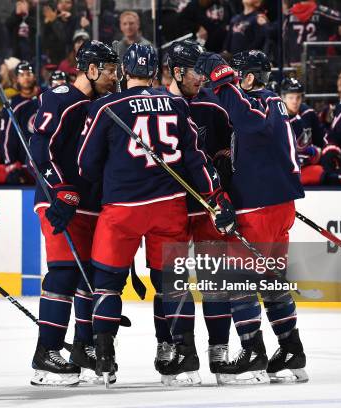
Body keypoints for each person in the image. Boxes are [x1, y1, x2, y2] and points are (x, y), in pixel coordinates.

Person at [78, 43, 235, 385]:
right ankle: (187, 356)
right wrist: (215, 197)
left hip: (123, 209)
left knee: (107, 285)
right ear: (155, 72)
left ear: (123, 71)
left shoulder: (108, 107)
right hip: (170, 206)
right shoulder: (176, 103)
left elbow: (85, 165)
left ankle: (104, 360)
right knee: (173, 285)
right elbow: (195, 158)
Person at [194, 49, 307, 385]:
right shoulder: (269, 103)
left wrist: (220, 76)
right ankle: (290, 348)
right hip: (277, 204)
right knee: (271, 280)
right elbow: (253, 137)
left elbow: (245, 119)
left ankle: (252, 351)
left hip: (258, 206)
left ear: (249, 77)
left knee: (239, 281)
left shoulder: (261, 100)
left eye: (236, 73)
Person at [28, 40, 119, 387]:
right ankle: (46, 353)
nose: (114, 77)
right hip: (59, 201)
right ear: (92, 70)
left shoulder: (103, 105)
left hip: (92, 204)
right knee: (64, 275)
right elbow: (40, 148)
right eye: (109, 70)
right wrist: (58, 189)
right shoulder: (62, 96)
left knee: (92, 278)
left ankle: (83, 347)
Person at [162, 39, 234, 384]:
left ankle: (219, 352)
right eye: (196, 72)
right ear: (177, 72)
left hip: (208, 209)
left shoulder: (215, 108)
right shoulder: (156, 106)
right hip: (169, 208)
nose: (202, 78)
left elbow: (225, 156)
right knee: (172, 284)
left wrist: (228, 195)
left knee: (216, 282)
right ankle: (181, 352)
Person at [0, 61, 40, 185]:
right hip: (24, 165)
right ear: (17, 78)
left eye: (29, 74)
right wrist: (10, 163)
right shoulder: (13, 104)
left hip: (47, 161)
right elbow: (7, 137)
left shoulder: (45, 97)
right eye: (22, 75)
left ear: (34, 76)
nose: (26, 78)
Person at [283, 0, 341, 65]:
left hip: (295, 63)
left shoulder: (289, 14)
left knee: (296, 82)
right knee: (313, 83)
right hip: (316, 62)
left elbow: (283, 36)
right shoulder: (319, 11)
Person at [280, 77, 325, 185]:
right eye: (291, 97)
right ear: (283, 98)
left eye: (298, 97)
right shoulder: (276, 117)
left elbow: (321, 140)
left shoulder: (308, 113)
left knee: (324, 174)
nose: (295, 101)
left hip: (306, 167)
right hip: (284, 170)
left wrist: (317, 151)